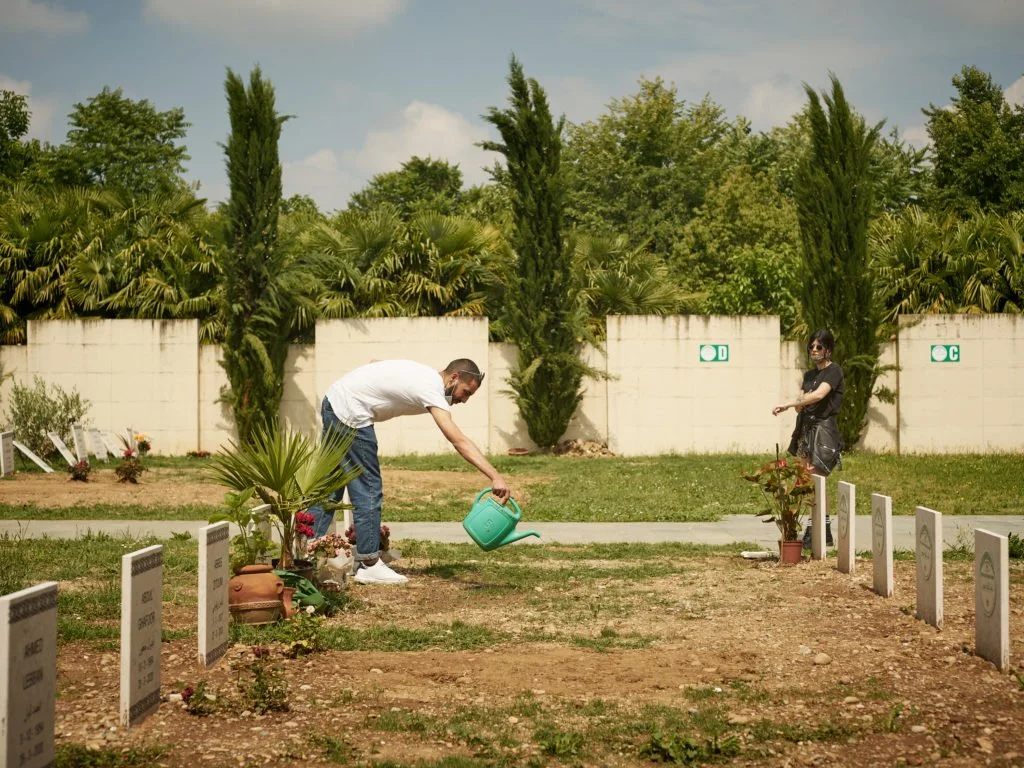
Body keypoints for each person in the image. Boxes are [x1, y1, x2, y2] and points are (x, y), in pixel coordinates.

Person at [308, 358, 510, 585]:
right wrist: (495, 476)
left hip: (335, 401)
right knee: (368, 487)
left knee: (331, 486)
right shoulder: (431, 387)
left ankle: (305, 551)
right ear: (454, 377)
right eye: (466, 392)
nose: (464, 399)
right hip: (351, 411)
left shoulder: (424, 378)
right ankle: (369, 564)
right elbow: (458, 440)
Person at [772, 329, 845, 548]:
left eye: (819, 347)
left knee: (818, 481)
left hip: (823, 431)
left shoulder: (834, 371)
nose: (814, 350)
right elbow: (803, 401)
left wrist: (790, 403)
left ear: (828, 349)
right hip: (806, 429)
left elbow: (818, 395)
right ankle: (821, 532)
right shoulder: (809, 375)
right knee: (806, 482)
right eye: (811, 347)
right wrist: (799, 404)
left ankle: (819, 530)